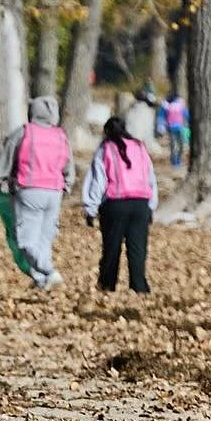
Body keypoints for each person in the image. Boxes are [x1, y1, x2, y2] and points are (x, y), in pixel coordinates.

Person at [0, 94, 73, 290]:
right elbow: (68, 164)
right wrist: (67, 184)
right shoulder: (60, 135)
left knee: (26, 241)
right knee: (44, 239)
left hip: (28, 190)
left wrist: (0, 180)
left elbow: (6, 160)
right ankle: (42, 280)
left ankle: (48, 271)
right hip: (55, 191)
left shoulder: (23, 133)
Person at [83, 113, 157, 294]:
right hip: (140, 202)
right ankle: (139, 286)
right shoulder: (139, 147)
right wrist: (151, 205)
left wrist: (90, 208)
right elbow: (150, 177)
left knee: (112, 246)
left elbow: (97, 181)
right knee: (138, 248)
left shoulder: (105, 149)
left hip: (115, 203)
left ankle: (108, 285)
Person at [159, 91, 189, 169]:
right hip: (172, 127)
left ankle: (177, 160)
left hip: (178, 127)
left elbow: (185, 114)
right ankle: (175, 161)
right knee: (176, 145)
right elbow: (162, 115)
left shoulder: (180, 103)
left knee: (177, 145)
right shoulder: (167, 105)